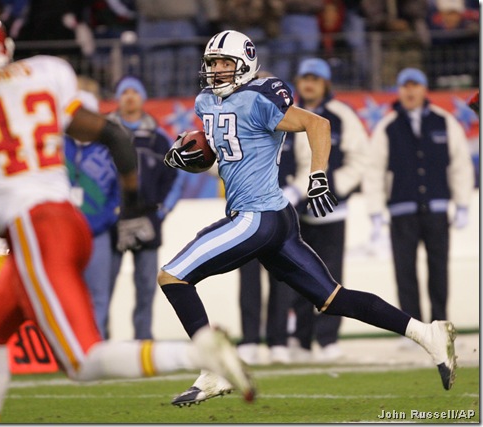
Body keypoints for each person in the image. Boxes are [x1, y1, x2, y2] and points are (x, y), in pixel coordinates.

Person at [0, 9, 254, 422]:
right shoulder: (43, 72)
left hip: (33, 227)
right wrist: (131, 205)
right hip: (66, 223)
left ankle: (199, 353)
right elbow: (113, 134)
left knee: (81, 361)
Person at [160, 30, 457, 407]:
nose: (216, 71)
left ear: (246, 63)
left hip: (258, 216)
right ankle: (427, 335)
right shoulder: (206, 102)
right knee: (332, 297)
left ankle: (213, 369)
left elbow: (318, 125)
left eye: (225, 63)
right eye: (212, 63)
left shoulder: (259, 97)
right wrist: (194, 155)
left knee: (173, 274)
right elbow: (232, 148)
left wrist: (318, 175)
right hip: (275, 218)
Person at [364, 68, 474, 326]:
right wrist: (375, 211)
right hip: (402, 212)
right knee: (405, 271)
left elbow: (460, 164)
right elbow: (374, 170)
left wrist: (463, 205)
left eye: (415, 86)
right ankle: (413, 328)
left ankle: (440, 324)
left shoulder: (444, 121)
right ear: (399, 90)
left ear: (424, 89)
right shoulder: (387, 126)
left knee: (439, 269)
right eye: (405, 86)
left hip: (436, 210)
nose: (410, 91)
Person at [279, 57, 369, 362]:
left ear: (325, 83)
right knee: (300, 272)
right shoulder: (286, 116)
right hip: (296, 211)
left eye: (315, 79)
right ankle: (301, 339)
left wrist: (335, 187)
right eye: (304, 78)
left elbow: (360, 159)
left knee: (331, 276)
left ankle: (328, 338)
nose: (309, 84)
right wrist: (290, 190)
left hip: (332, 212)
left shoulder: (343, 116)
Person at [107, 75, 179, 340]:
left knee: (147, 286)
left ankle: (143, 342)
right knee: (103, 286)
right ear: (118, 98)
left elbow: (177, 176)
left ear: (142, 98)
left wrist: (162, 211)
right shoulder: (106, 133)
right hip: (111, 221)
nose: (129, 96)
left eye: (134, 91)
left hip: (148, 218)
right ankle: (99, 344)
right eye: (124, 91)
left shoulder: (159, 138)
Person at [64, 87, 120, 337]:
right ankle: (67, 347)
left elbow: (118, 192)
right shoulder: (56, 144)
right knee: (64, 291)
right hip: (63, 233)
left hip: (97, 233)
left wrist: (103, 221)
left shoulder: (109, 147)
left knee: (98, 294)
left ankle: (93, 345)